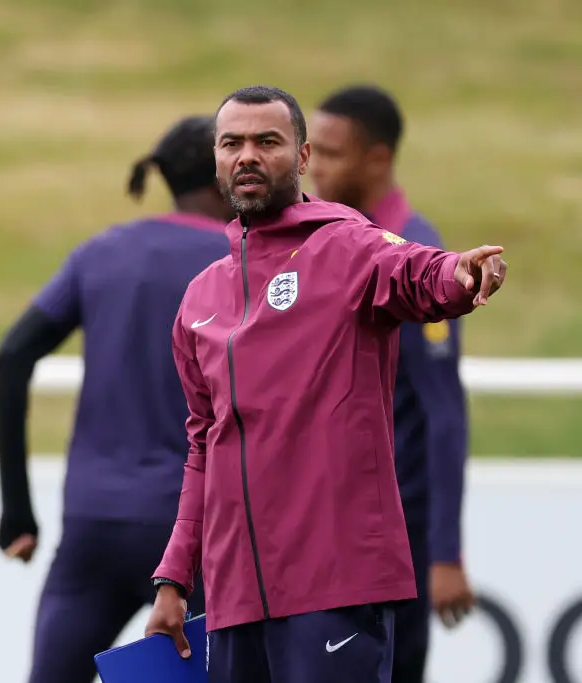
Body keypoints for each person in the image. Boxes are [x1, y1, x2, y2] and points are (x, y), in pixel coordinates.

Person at [144, 85, 506, 683]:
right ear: (215, 159)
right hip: (235, 599)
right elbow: (204, 447)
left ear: (303, 156)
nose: (248, 156)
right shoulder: (199, 298)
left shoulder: (346, 244)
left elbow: (418, 272)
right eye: (232, 143)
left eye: (268, 142)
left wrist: (462, 273)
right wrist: (175, 577)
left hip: (334, 583)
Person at [0, 115, 232, 683]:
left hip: (95, 523)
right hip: (201, 532)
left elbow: (12, 358)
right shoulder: (242, 259)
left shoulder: (102, 253)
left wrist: (16, 509)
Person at [308, 84, 474, 683]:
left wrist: (446, 553)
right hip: (328, 532)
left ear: (377, 159)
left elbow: (445, 414)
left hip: (393, 542)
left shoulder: (417, 259)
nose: (313, 166)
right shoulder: (326, 240)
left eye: (329, 153)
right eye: (311, 150)